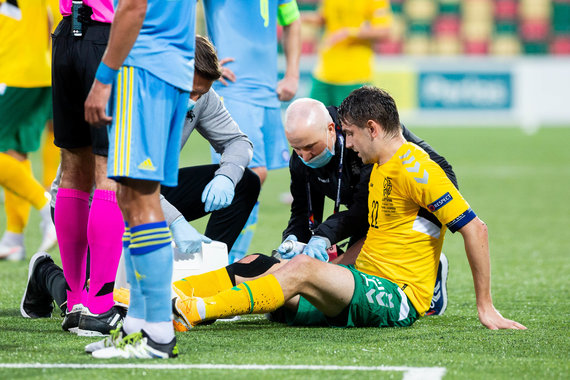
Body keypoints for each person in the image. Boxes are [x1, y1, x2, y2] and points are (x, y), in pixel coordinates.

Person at [172, 86, 527, 331]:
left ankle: (192, 311)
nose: (349, 143)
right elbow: (346, 221)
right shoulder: (379, 167)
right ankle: (167, 296)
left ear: (372, 129)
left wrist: (486, 306)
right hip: (363, 278)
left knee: (303, 270)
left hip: (396, 294)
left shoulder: (415, 168)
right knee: (258, 265)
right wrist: (301, 240)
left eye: (352, 134)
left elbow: (475, 227)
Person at [22, 36, 259, 326]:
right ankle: (45, 273)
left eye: (201, 94)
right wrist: (174, 220)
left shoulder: (201, 97)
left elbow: (238, 142)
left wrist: (226, 175)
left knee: (244, 181)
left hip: (147, 188)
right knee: (89, 299)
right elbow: (119, 177)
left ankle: (205, 283)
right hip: (98, 199)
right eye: (191, 91)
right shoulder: (136, 92)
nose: (194, 101)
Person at [83, 0, 197, 359]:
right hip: (168, 68)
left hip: (144, 66)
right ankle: (137, 326)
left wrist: (103, 79)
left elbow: (133, 6)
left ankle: (157, 333)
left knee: (139, 199)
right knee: (132, 199)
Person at [276, 98, 455, 315]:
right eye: (296, 149)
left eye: (310, 147)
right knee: (349, 268)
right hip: (368, 201)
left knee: (360, 259)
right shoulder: (301, 159)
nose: (304, 156)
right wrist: (293, 240)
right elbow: (302, 212)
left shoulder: (360, 139)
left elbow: (363, 210)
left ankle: (429, 268)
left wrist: (323, 237)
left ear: (331, 130)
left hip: (416, 199)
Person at [202, 0, 302, 262]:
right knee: (247, 173)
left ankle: (228, 261)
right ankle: (219, 262)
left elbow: (292, 20)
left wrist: (292, 74)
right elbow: (180, 11)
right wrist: (199, 57)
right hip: (233, 90)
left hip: (267, 93)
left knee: (254, 180)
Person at [50, 0, 125, 339]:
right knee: (110, 169)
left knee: (73, 170)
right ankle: (99, 307)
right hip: (107, 39)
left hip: (66, 35)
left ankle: (76, 300)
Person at [0, 0, 59, 261]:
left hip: (11, 74)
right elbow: (49, 19)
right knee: (15, 153)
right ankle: (13, 238)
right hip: (38, 72)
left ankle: (46, 207)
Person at [304, 0, 392, 106]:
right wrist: (300, 17)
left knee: (351, 121)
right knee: (314, 117)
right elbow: (323, 17)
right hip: (324, 72)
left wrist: (349, 32)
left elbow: (384, 30)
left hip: (354, 75)